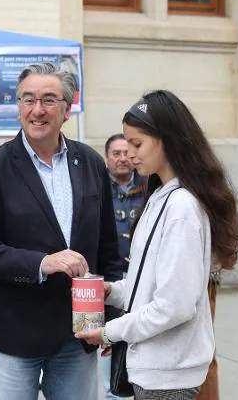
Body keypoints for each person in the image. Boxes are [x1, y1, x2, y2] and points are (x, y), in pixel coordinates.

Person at [0, 62, 122, 400]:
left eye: (49, 100)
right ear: (17, 107)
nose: (37, 110)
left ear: (67, 109)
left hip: (79, 332)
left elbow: (107, 246)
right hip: (12, 333)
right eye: (27, 99)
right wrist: (42, 263)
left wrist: (109, 321)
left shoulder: (90, 162)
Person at [75, 90, 238, 400]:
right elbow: (150, 285)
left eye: (137, 143)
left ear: (168, 139)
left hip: (169, 372)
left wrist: (108, 333)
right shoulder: (160, 197)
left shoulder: (181, 207)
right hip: (156, 365)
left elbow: (173, 306)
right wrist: (113, 291)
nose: (130, 152)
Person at [100, 133, 146, 399]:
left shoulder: (149, 186)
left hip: (141, 275)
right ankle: (113, 393)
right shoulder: (98, 187)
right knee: (111, 340)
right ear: (107, 158)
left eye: (125, 152)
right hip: (111, 277)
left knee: (140, 336)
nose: (122, 158)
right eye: (115, 154)